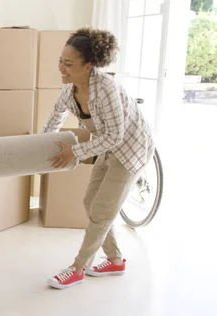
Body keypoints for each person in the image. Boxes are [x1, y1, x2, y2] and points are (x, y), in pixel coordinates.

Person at [42, 27, 155, 289]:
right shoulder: (69, 92)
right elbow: (53, 121)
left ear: (88, 65)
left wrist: (75, 153)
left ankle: (78, 267)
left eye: (68, 64)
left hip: (130, 147)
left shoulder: (105, 89)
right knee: (90, 202)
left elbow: (116, 137)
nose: (61, 68)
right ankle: (115, 260)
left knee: (102, 210)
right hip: (107, 145)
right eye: (60, 60)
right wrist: (36, 149)